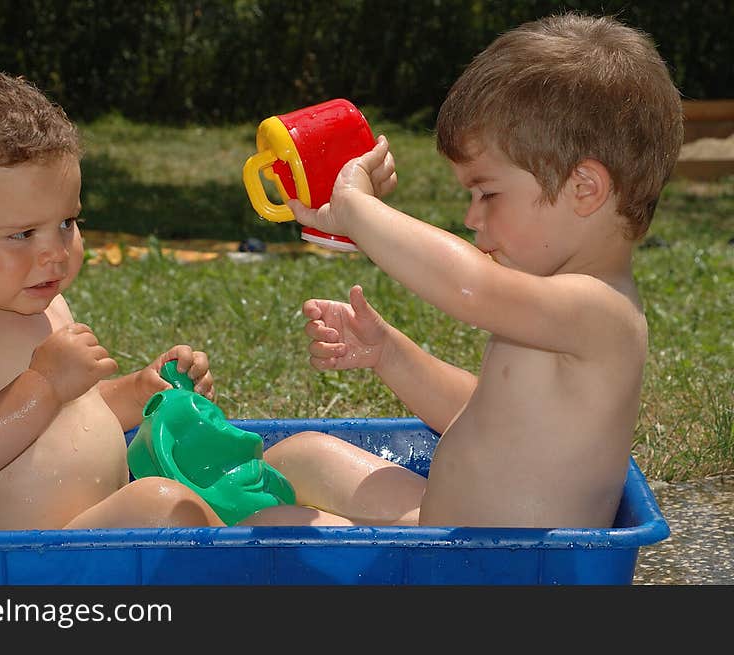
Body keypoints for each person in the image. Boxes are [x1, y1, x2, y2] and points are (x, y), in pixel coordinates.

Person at [245, 12, 683, 529]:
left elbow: (469, 286)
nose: (472, 217)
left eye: (488, 193)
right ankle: (208, 496)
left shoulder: (600, 312)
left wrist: (356, 210)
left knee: (275, 527)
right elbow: (485, 418)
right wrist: (388, 353)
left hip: (510, 575)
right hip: (454, 534)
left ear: (584, 189)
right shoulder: (551, 303)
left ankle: (183, 535)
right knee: (306, 455)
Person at [0, 67, 229, 530]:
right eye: (22, 233)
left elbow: (77, 413)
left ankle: (285, 541)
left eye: (66, 222)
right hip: (37, 560)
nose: (54, 252)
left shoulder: (38, 301)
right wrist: (43, 387)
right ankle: (255, 560)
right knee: (161, 503)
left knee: (305, 454)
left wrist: (140, 391)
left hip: (100, 527)